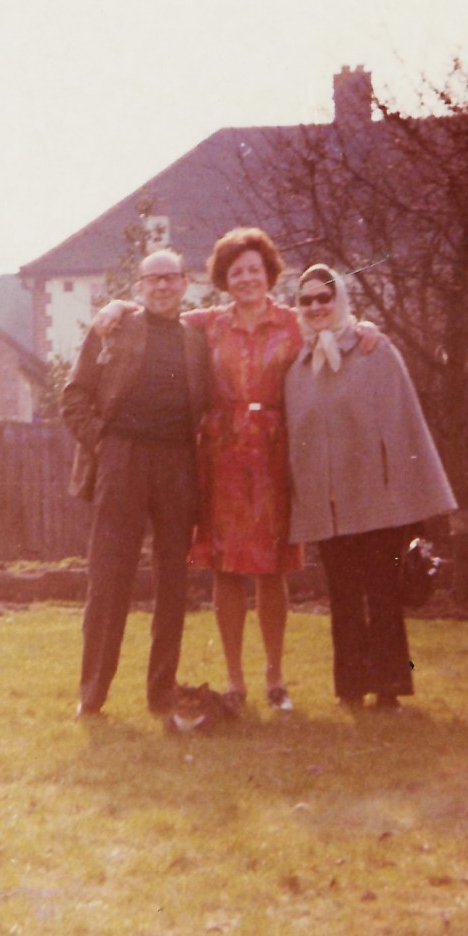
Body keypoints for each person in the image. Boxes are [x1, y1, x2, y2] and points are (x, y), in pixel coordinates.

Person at [94, 228, 380, 713]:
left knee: (271, 571)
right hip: (221, 456)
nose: (246, 278)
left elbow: (336, 329)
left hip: (274, 455)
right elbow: (158, 311)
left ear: (269, 273)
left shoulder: (294, 324)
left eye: (254, 269)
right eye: (235, 271)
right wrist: (117, 306)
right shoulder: (206, 323)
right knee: (227, 570)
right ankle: (235, 681)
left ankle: (274, 677)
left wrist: (366, 328)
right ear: (224, 279)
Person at [284, 264, 457, 712]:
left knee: (382, 593)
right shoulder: (297, 366)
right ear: (298, 307)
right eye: (307, 300)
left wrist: (414, 497)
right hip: (330, 507)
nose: (317, 307)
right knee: (342, 596)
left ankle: (390, 687)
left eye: (325, 297)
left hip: (378, 502)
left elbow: (405, 424)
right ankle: (350, 688)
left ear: (339, 299)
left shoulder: (374, 352)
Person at [60, 248, 208, 718]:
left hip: (179, 464)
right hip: (121, 458)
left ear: (186, 283)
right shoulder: (114, 328)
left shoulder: (197, 339)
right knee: (108, 579)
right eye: (153, 279)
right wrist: (102, 444)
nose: (163, 286)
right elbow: (73, 395)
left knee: (173, 582)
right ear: (139, 287)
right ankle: (92, 696)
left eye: (172, 278)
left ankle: (161, 694)